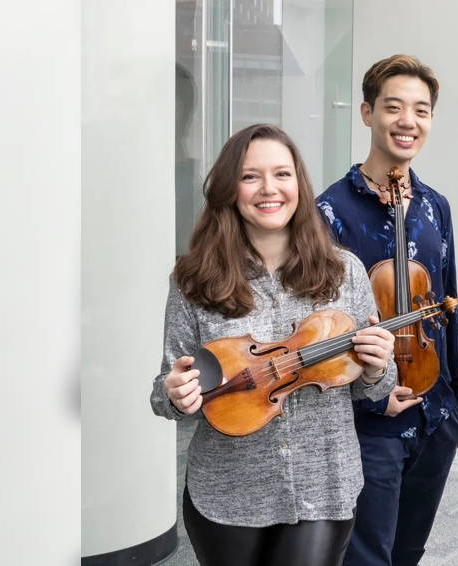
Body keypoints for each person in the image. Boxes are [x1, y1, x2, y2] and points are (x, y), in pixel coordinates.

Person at [150, 123, 397, 566]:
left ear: (298, 184)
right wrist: (173, 395)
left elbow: (371, 389)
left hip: (324, 484)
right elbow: (166, 391)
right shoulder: (192, 280)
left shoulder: (345, 272)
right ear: (230, 189)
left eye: (282, 174)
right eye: (250, 176)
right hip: (228, 491)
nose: (269, 189)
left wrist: (379, 367)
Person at [315, 54, 458, 566]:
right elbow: (318, 328)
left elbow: (442, 305)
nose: (409, 121)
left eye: (421, 110)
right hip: (370, 421)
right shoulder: (327, 212)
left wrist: (452, 399)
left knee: (408, 553)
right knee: (367, 557)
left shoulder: (434, 205)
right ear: (367, 113)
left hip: (434, 412)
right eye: (394, 107)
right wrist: (371, 398)